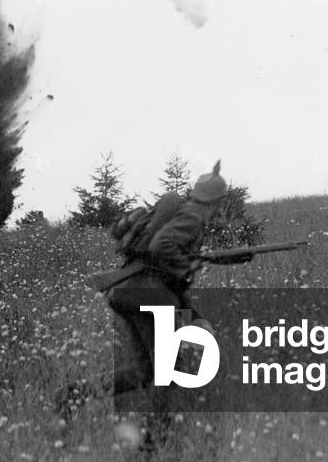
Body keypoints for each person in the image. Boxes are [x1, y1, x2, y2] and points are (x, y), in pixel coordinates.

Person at [58, 161, 228, 434]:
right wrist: (188, 265)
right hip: (149, 297)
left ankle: (74, 394)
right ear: (218, 200)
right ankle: (154, 441)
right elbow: (162, 247)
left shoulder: (183, 213)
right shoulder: (193, 217)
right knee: (167, 372)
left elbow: (171, 278)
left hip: (131, 293)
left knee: (145, 373)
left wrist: (195, 317)